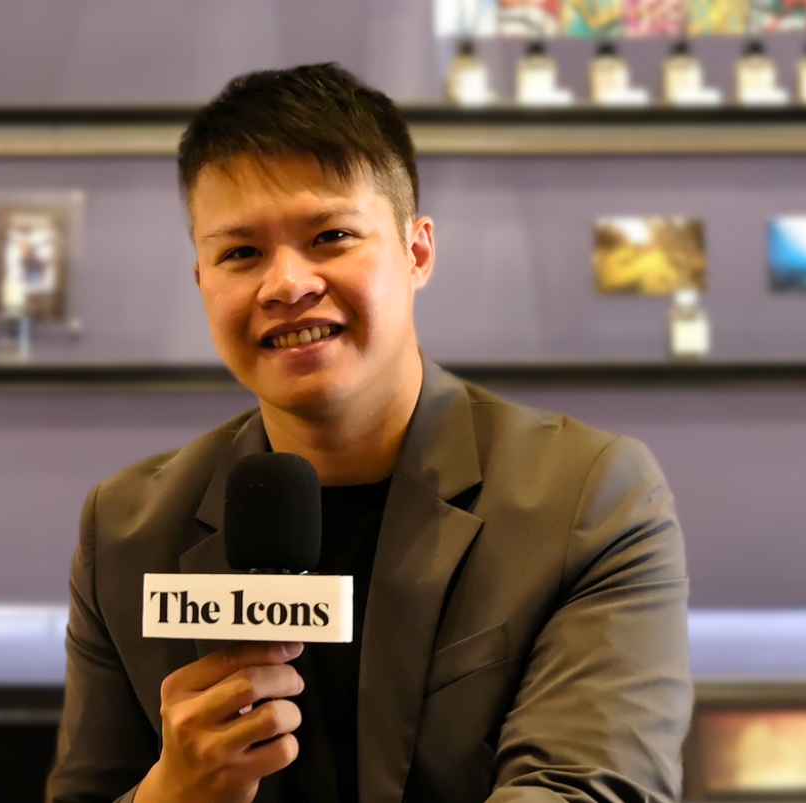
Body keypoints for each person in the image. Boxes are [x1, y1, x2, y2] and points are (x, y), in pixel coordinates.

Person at [47, 63, 690, 803]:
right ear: (202, 281)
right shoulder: (126, 530)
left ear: (417, 252)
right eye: (241, 253)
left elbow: (586, 786)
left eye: (331, 237)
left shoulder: (588, 498)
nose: (287, 284)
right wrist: (172, 794)